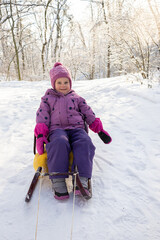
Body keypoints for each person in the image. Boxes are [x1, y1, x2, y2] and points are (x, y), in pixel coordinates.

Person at [34, 62, 111, 200]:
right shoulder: (47, 99)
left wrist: (99, 130)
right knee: (58, 142)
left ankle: (81, 180)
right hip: (56, 130)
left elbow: (89, 114)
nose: (63, 85)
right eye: (59, 82)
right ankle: (58, 181)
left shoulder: (77, 98)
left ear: (70, 83)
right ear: (53, 83)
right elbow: (42, 117)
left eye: (66, 82)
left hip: (77, 129)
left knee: (85, 142)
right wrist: (40, 135)